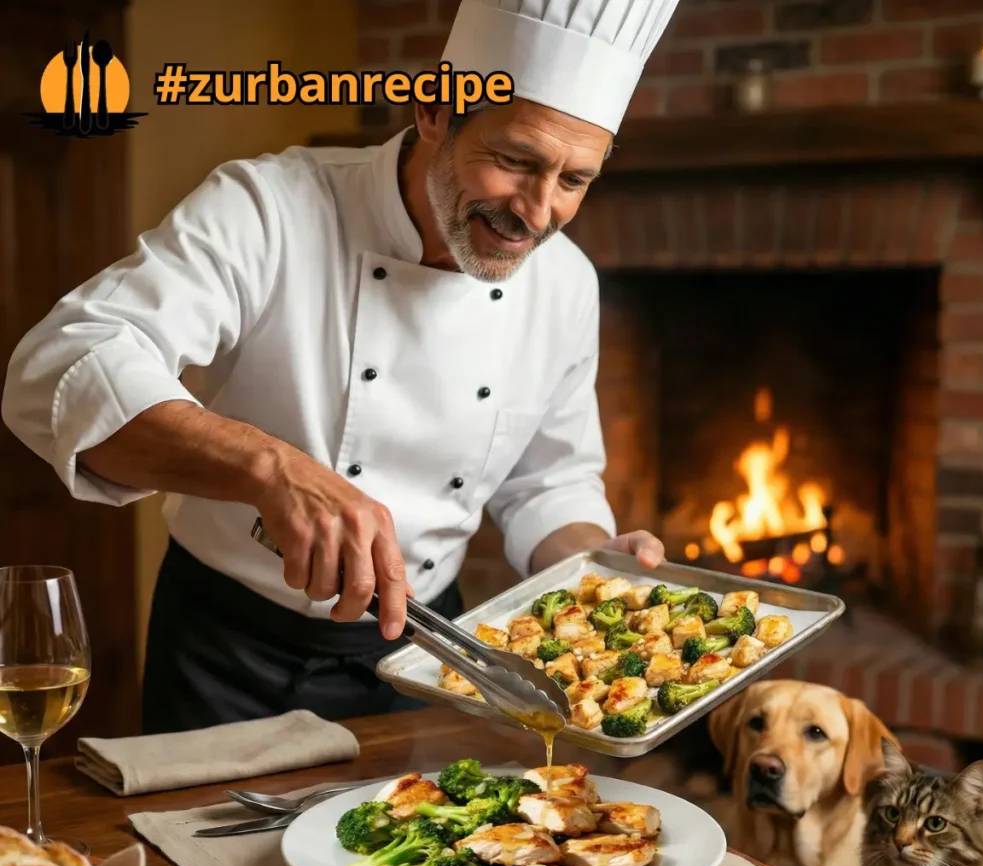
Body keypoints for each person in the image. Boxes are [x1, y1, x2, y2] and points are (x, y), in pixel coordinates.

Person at [1, 0, 679, 733]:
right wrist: (269, 469)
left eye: (574, 180)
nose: (539, 213)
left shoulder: (566, 283)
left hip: (427, 661)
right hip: (228, 658)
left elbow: (551, 483)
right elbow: (64, 361)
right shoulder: (269, 208)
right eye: (515, 161)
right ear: (433, 111)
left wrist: (595, 562)